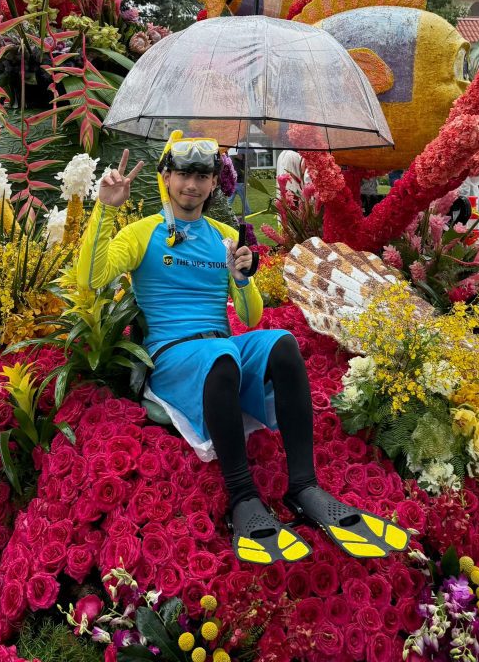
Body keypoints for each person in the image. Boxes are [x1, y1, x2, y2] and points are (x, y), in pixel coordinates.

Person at [77, 132, 409, 565]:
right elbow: (91, 278)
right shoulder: (144, 234)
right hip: (173, 356)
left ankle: (303, 486)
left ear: (214, 182)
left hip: (221, 350)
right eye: (182, 174)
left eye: (201, 175)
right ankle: (243, 498)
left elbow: (251, 319)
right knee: (222, 358)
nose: (191, 185)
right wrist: (105, 208)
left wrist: (243, 280)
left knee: (282, 344)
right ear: (166, 177)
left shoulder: (224, 236)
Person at [228, 151, 251, 215]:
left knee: (233, 199)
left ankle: (248, 211)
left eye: (239, 154)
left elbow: (247, 171)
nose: (237, 155)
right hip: (238, 183)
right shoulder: (236, 162)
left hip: (239, 183)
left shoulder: (243, 162)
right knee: (241, 198)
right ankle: (248, 211)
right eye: (237, 154)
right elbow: (238, 173)